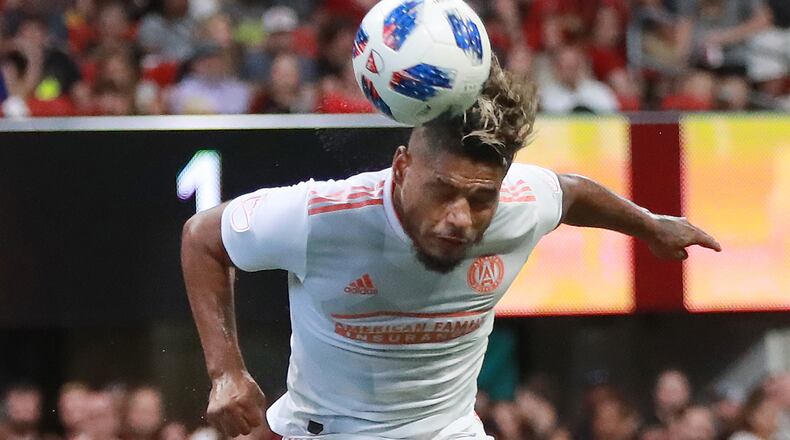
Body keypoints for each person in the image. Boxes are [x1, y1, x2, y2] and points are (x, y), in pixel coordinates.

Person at [181, 57, 721, 439]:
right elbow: (202, 237)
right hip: (319, 428)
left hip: (448, 431)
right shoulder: (323, 217)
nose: (458, 218)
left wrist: (651, 224)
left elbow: (573, 193)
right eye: (442, 192)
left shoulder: (520, 202)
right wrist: (226, 371)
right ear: (401, 168)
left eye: (480, 198)